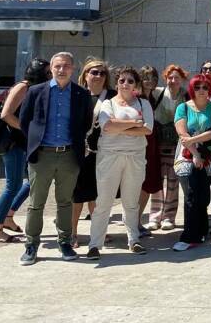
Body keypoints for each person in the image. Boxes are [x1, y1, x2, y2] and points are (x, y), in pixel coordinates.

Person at [18, 52, 91, 266]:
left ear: (73, 69)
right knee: (36, 203)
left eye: (66, 66)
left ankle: (65, 242)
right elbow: (25, 121)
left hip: (68, 155)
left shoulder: (81, 94)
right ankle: (31, 245)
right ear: (51, 68)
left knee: (65, 202)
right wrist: (35, 143)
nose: (61, 70)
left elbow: (85, 123)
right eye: (58, 66)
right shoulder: (35, 91)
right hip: (42, 155)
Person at [85, 66, 154, 259]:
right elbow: (107, 125)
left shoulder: (143, 104)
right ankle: (94, 244)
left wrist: (120, 127)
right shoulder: (108, 103)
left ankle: (134, 239)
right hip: (109, 156)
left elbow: (148, 130)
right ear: (117, 83)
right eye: (122, 80)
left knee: (131, 202)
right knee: (103, 202)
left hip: (135, 157)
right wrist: (135, 124)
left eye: (130, 81)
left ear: (136, 85)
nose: (125, 84)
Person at [0, 58, 49, 243]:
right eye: (47, 72)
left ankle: (8, 216)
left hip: (24, 143)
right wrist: (28, 130)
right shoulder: (23, 87)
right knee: (12, 185)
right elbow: (6, 115)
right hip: (13, 143)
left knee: (32, 181)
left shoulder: (36, 88)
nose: (50, 75)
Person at [172, 74, 211, 251]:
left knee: (203, 196)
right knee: (191, 195)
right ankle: (189, 236)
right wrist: (195, 153)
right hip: (188, 155)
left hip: (209, 157)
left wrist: (197, 143)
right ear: (192, 88)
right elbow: (182, 134)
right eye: (198, 87)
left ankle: (201, 230)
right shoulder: (182, 108)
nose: (202, 90)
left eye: (205, 87)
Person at [70, 59, 115, 247]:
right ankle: (71, 233)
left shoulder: (112, 96)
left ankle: (98, 232)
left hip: (104, 153)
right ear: (85, 74)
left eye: (102, 73)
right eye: (94, 72)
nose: (98, 76)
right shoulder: (76, 94)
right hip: (79, 153)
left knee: (98, 195)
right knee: (76, 196)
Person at [148, 64, 187, 231]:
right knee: (156, 182)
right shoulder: (157, 93)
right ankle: (155, 216)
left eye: (176, 78)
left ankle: (169, 217)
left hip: (177, 144)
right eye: (170, 77)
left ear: (182, 79)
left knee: (173, 182)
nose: (173, 80)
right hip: (158, 142)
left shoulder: (186, 95)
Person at [137, 66, 164, 233]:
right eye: (146, 77)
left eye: (153, 78)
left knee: (148, 185)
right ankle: (133, 222)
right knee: (136, 186)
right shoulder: (135, 98)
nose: (150, 81)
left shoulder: (152, 97)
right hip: (139, 145)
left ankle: (138, 221)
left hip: (152, 146)